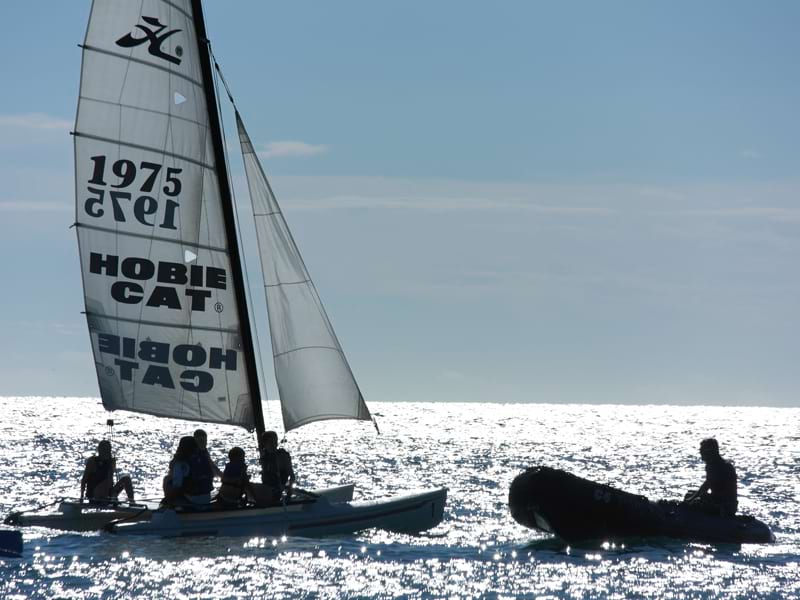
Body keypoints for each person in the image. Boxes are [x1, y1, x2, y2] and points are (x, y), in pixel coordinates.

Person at [684, 438, 738, 517]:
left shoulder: (720, 466)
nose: (700, 453)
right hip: (718, 500)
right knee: (689, 494)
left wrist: (691, 500)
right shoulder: (711, 465)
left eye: (702, 451)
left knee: (695, 500)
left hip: (725, 505)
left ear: (709, 452)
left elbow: (706, 485)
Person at [162, 436, 212, 507]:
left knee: (167, 479)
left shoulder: (181, 463)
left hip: (192, 499)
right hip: (207, 498)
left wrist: (167, 498)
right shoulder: (203, 458)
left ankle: (169, 504)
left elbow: (177, 486)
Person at [249, 430, 295, 506]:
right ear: (265, 443)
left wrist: (289, 492)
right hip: (267, 489)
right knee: (245, 484)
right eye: (270, 442)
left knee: (247, 484)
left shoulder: (282, 456)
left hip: (275, 491)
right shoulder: (265, 457)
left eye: (275, 441)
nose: (274, 444)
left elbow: (292, 476)